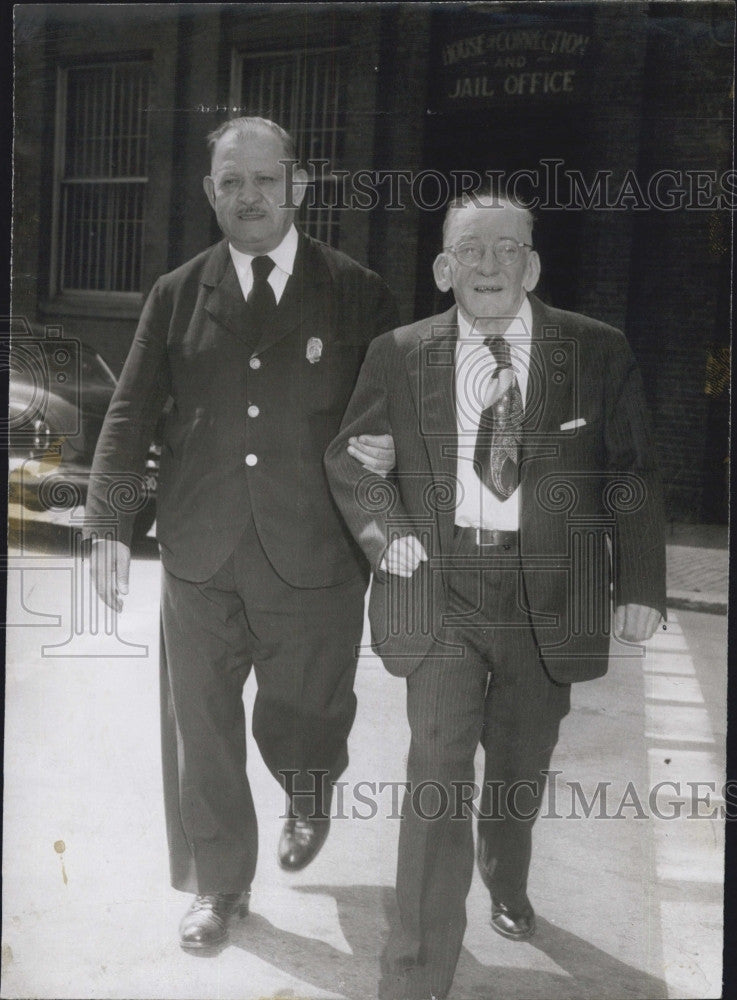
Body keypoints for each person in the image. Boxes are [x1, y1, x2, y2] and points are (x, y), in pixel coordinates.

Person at [325, 190, 666, 1000]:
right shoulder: (399, 354)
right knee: (437, 772)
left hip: (551, 594)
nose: (487, 265)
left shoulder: (595, 350)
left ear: (532, 265)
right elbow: (348, 458)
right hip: (441, 588)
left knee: (518, 767)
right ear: (443, 268)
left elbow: (631, 474)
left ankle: (505, 877)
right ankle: (413, 977)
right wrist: (388, 528)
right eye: (469, 250)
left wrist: (642, 582)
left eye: (506, 249)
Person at [84, 117, 398, 951]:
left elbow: (394, 411)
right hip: (201, 549)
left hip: (317, 556)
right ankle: (219, 886)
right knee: (204, 726)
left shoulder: (357, 291)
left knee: (304, 713)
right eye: (231, 182)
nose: (249, 196)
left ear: (298, 185)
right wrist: (109, 523)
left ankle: (308, 782)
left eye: (265, 178)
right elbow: (129, 413)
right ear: (209, 192)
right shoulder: (177, 292)